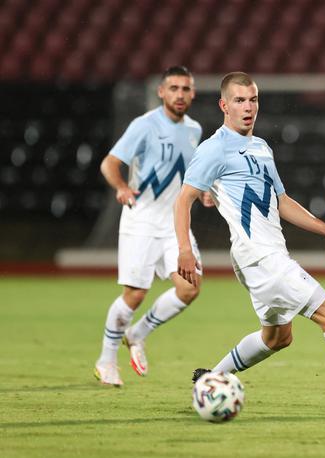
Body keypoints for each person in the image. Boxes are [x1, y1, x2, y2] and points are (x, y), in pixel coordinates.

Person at [175, 72, 325, 418]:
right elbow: (183, 199)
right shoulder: (213, 149)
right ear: (223, 105)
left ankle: (212, 379)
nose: (248, 107)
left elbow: (282, 201)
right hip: (260, 257)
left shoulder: (260, 147)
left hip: (263, 257)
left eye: (253, 100)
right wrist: (185, 249)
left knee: (277, 337)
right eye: (240, 100)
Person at [94, 66, 212, 386]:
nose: (179, 94)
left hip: (175, 223)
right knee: (135, 294)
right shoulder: (144, 125)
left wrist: (203, 193)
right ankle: (106, 361)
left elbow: (188, 174)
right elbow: (109, 163)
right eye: (173, 88)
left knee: (190, 288)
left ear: (193, 94)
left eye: (185, 89)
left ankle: (138, 333)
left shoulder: (194, 130)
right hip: (142, 220)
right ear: (161, 92)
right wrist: (120, 186)